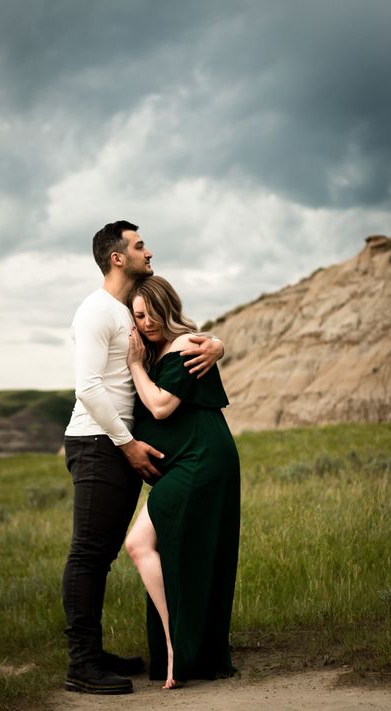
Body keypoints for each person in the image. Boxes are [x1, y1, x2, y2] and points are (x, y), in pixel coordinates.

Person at [62, 221, 224, 695]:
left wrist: (215, 343)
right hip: (98, 443)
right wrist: (127, 443)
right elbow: (88, 388)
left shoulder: (126, 312)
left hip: (113, 445)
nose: (147, 252)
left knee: (104, 554)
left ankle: (94, 653)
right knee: (89, 555)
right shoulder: (95, 311)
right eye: (139, 246)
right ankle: (82, 664)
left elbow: (170, 339)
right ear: (117, 257)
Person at [124, 275, 240, 689]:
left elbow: (159, 406)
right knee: (176, 550)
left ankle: (178, 649)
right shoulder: (164, 350)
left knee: (140, 545)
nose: (147, 321)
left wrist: (135, 364)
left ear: (167, 306)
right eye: (139, 315)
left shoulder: (184, 344)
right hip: (188, 462)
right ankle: (184, 649)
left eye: (152, 312)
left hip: (202, 460)